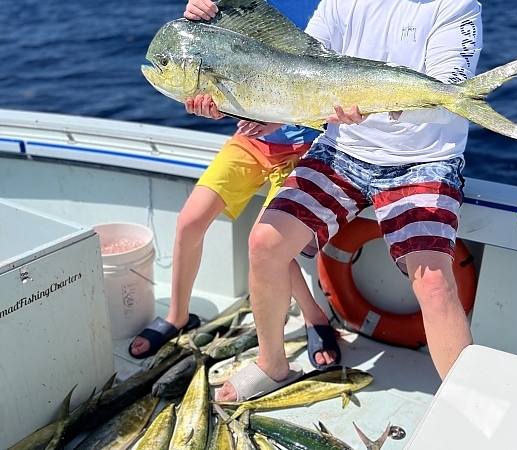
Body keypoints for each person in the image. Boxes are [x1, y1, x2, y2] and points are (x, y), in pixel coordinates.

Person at [205, 0, 484, 402]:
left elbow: (446, 97)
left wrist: (369, 102)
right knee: (264, 244)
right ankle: (272, 364)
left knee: (435, 283)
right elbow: (298, 65)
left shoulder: (457, 6)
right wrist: (245, 101)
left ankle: (466, 410)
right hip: (344, 149)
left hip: (424, 160)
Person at [128, 0, 342, 373]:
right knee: (189, 222)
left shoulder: (334, 6)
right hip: (253, 139)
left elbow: (338, 81)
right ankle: (178, 316)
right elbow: (216, 62)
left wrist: (274, 119)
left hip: (309, 144)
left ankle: (314, 316)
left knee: (270, 239)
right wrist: (197, 11)